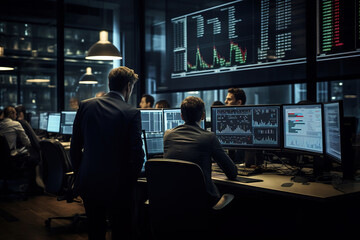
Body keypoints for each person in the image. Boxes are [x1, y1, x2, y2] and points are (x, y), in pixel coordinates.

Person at [70, 66, 145, 240]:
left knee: (95, 230)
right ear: (128, 86)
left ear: (110, 84)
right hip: (119, 185)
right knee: (121, 230)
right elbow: (137, 155)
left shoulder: (85, 106)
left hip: (89, 180)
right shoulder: (131, 112)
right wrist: (130, 182)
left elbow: (75, 147)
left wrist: (79, 175)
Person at [163, 96, 237, 203]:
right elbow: (232, 173)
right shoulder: (209, 137)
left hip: (174, 201)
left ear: (182, 116)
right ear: (203, 115)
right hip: (203, 202)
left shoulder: (168, 135)